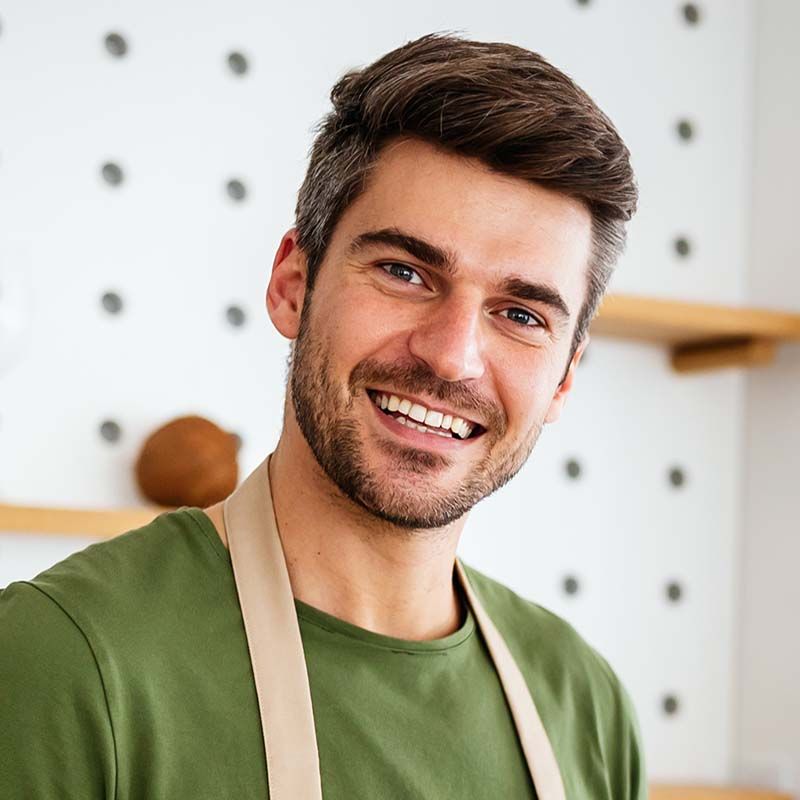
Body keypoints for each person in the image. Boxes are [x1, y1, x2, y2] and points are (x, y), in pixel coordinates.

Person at [0, 32, 645, 799]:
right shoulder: (62, 660)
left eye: (520, 314)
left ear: (565, 378)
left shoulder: (585, 706)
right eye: (405, 272)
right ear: (293, 283)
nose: (451, 357)